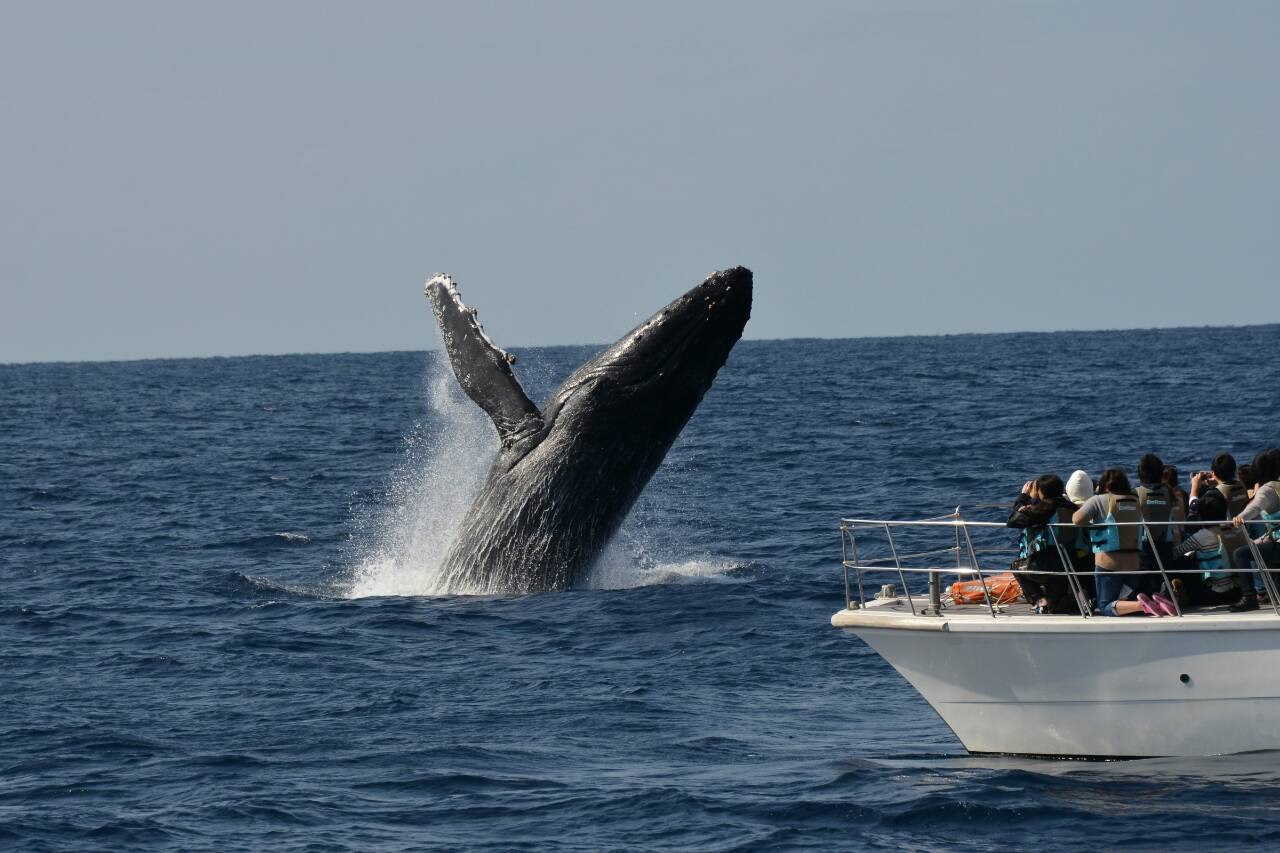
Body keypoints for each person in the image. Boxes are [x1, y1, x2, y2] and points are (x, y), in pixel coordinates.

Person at [1073, 468, 1175, 616]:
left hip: (1108, 564)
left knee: (1105, 605)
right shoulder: (1136, 501)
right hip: (1134, 564)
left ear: (1104, 485)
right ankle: (1157, 601)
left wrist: (1093, 524)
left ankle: (1142, 605)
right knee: (1123, 599)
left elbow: (1076, 519)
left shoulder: (1099, 500)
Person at [1007, 474, 1082, 613]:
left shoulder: (1042, 510)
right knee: (1054, 608)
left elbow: (1013, 521)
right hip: (1071, 564)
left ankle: (1039, 600)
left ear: (1041, 492)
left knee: (1016, 566)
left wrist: (1024, 497)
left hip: (1045, 566)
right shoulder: (1072, 507)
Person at [1229, 448, 1280, 611]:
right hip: (1274, 537)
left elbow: (1256, 507)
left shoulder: (1267, 489)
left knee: (1240, 553)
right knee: (1260, 546)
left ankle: (1249, 597)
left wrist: (1240, 517)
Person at [1169, 489, 1238, 607]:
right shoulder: (1235, 529)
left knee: (1182, 561)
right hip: (1237, 591)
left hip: (1213, 593)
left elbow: (1175, 553)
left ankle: (1180, 594)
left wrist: (1175, 534)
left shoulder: (1203, 535)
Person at [1135, 453, 1179, 595]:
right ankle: (1166, 593)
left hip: (1143, 547)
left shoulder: (1135, 493)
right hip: (1165, 545)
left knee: (1144, 581)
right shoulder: (1169, 492)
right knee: (1163, 576)